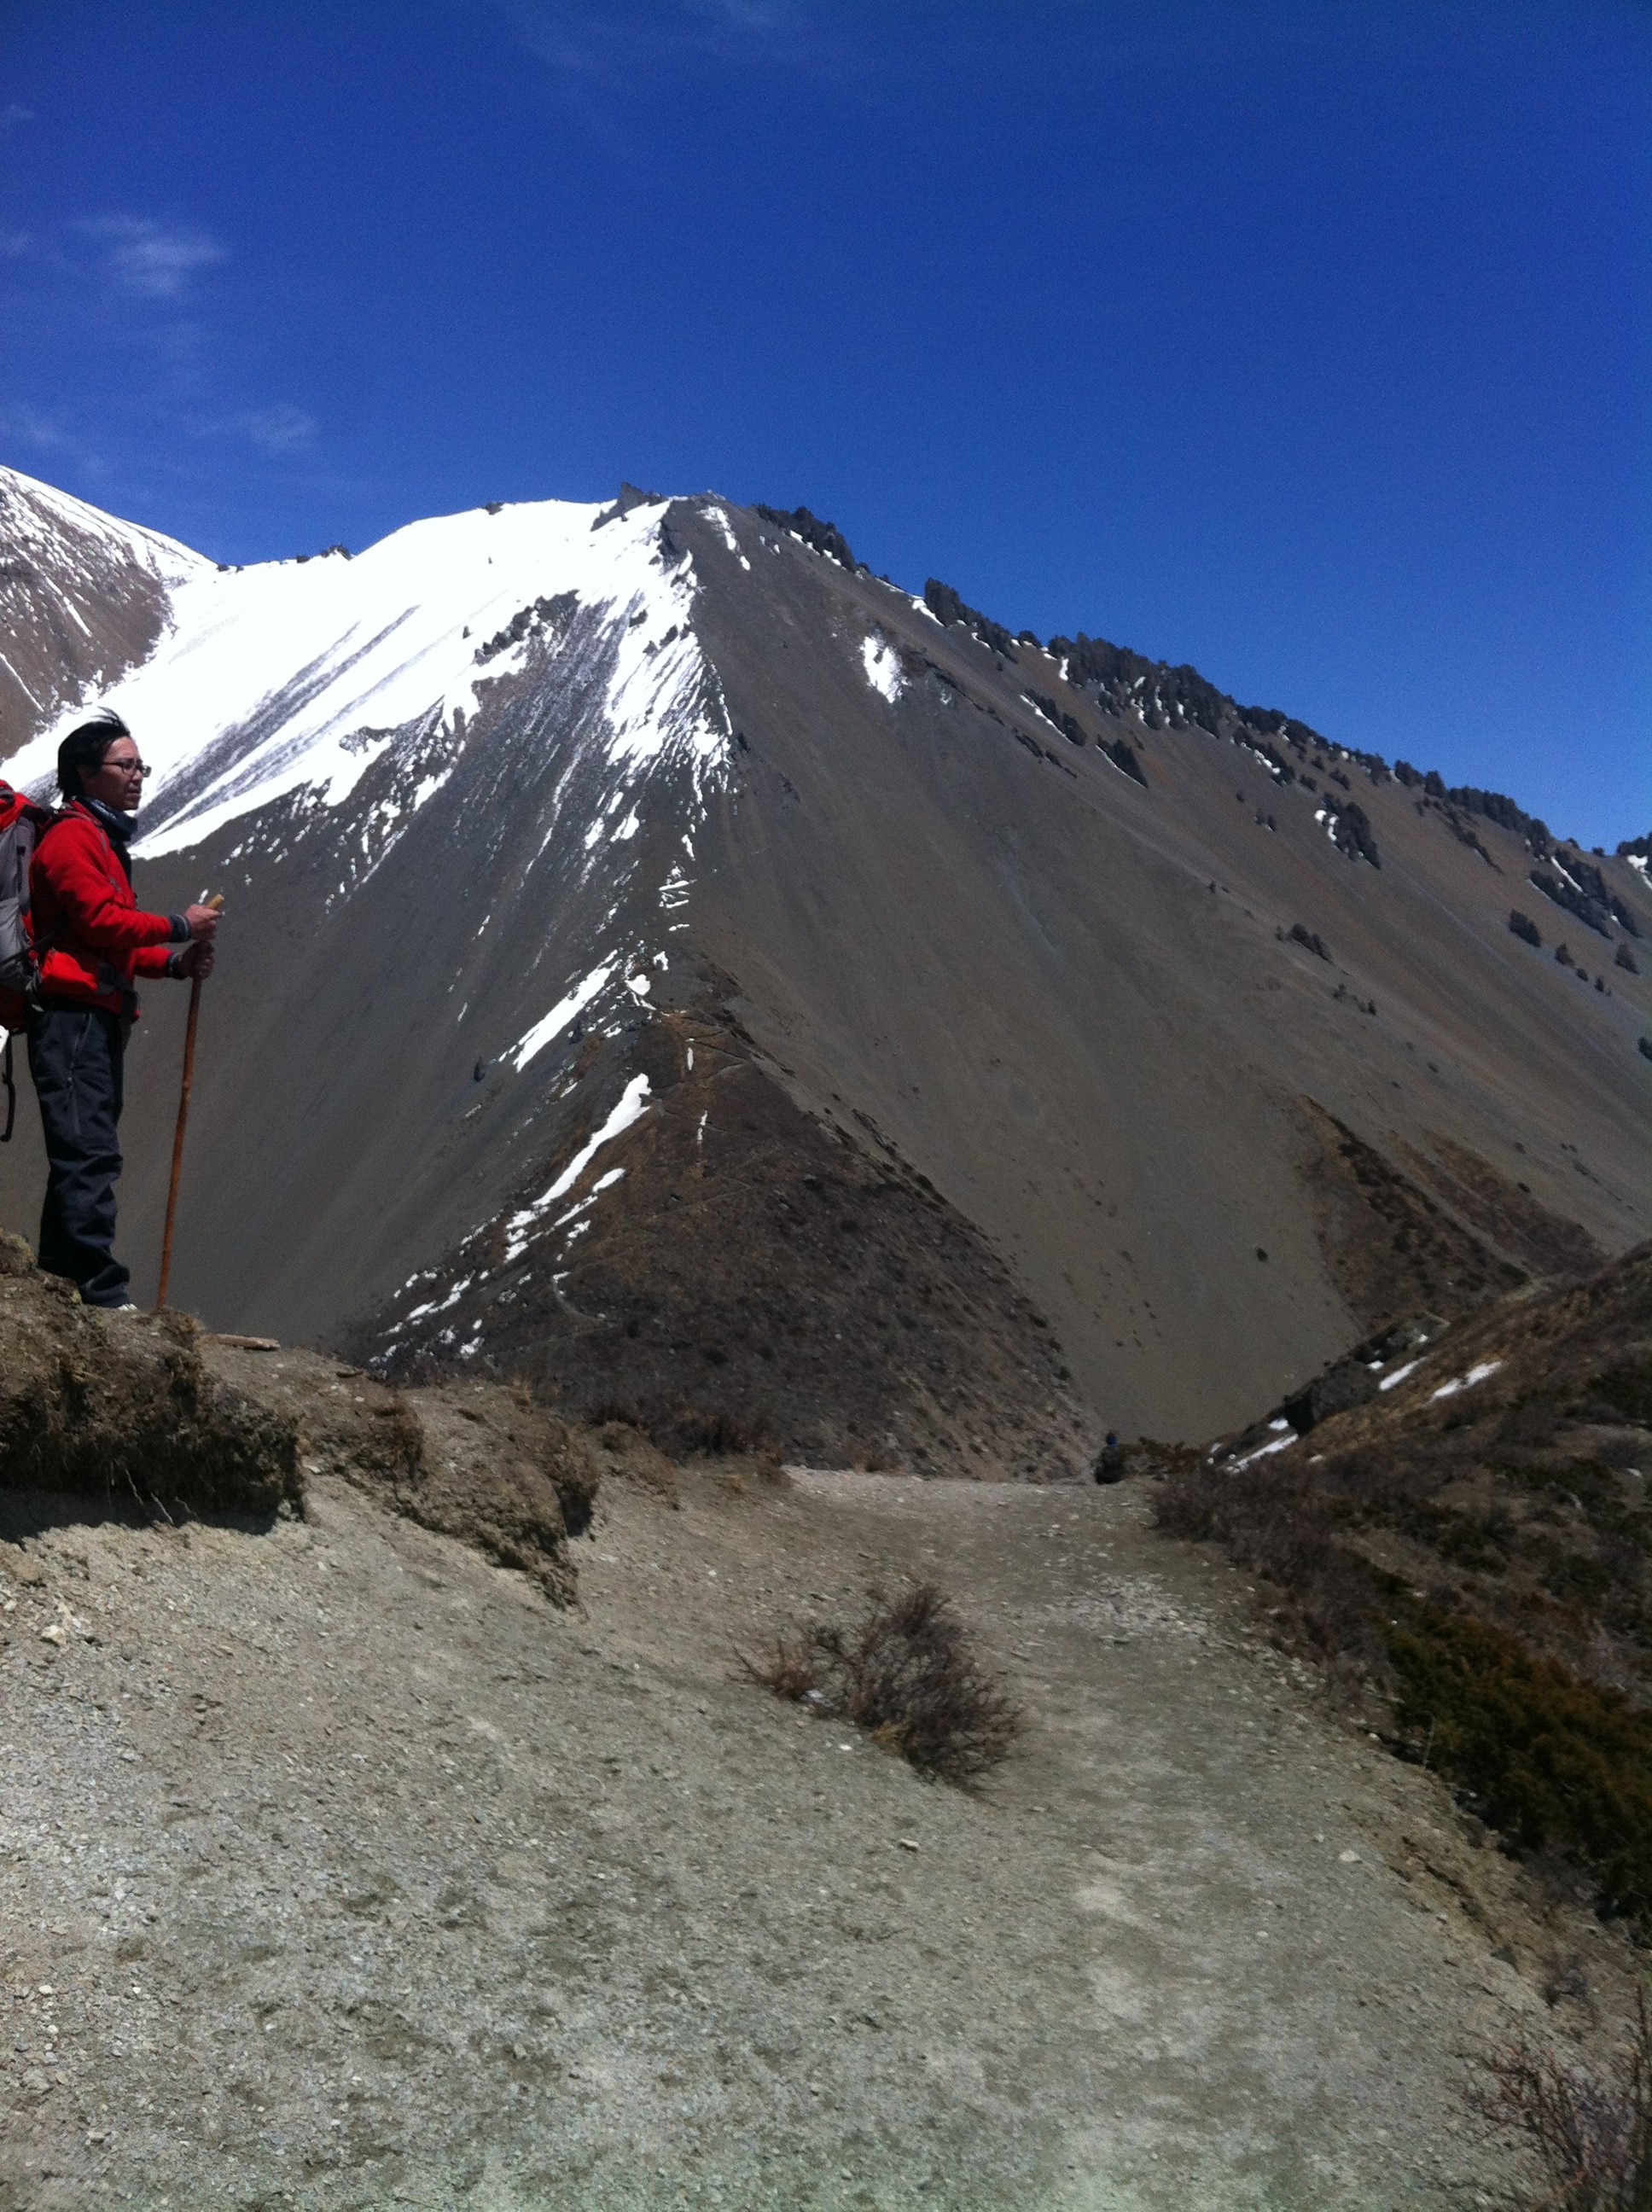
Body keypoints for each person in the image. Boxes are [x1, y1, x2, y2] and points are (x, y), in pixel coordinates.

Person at [25, 711, 220, 1308]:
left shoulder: (99, 839)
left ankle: (61, 1282)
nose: (137, 777)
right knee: (89, 1151)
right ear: (87, 773)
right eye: (125, 765)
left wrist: (171, 965)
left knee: (84, 1148)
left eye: (140, 767)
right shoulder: (72, 840)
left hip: (90, 1015)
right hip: (71, 1018)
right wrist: (181, 926)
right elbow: (100, 920)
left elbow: (107, 944)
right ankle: (101, 1293)